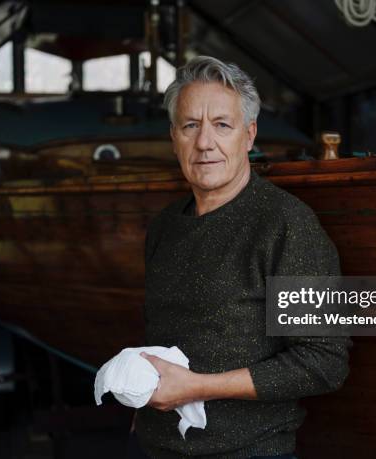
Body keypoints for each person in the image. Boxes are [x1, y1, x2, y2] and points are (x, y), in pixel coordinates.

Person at [130, 56, 350, 459]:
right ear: (174, 137)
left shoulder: (286, 225)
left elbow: (323, 362)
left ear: (248, 136)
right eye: (190, 125)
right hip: (155, 445)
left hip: (249, 451)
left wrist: (198, 386)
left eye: (222, 125)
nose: (204, 142)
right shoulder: (164, 225)